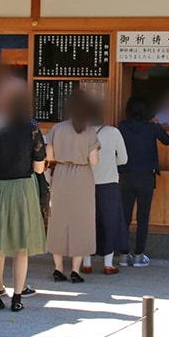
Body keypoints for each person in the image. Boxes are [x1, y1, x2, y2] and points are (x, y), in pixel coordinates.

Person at [0, 88, 47, 312]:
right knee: (21, 246)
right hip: (23, 188)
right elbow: (39, 166)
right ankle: (17, 297)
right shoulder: (32, 129)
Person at [46, 90, 100, 283]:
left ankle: (58, 268)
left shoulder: (57, 129)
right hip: (82, 177)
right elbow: (94, 161)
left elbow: (49, 157)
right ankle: (76, 270)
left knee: (58, 220)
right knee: (82, 221)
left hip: (61, 174)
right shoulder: (90, 131)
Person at [118, 96, 169, 268]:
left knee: (124, 217)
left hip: (126, 175)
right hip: (146, 177)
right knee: (143, 217)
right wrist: (156, 124)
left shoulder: (122, 126)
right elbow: (167, 140)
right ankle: (139, 255)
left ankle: (124, 256)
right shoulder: (151, 128)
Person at [84, 102, 129, 275]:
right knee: (109, 222)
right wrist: (110, 164)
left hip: (85, 183)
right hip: (109, 183)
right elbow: (124, 159)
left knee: (87, 222)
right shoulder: (113, 132)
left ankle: (86, 263)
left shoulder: (82, 132)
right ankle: (108, 264)